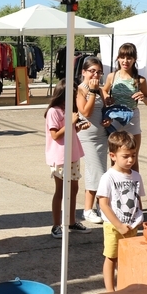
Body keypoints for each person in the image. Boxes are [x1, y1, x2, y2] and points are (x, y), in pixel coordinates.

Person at [97, 131, 145, 292]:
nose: (130, 159)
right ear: (112, 155)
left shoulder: (136, 176)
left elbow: (138, 199)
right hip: (113, 226)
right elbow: (103, 204)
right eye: (125, 156)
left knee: (127, 259)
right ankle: (111, 292)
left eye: (133, 155)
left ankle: (125, 287)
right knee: (111, 257)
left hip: (132, 226)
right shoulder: (108, 177)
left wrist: (140, 219)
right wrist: (118, 225)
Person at [45, 79, 89, 238]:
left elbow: (70, 132)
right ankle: (56, 225)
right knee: (61, 190)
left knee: (74, 188)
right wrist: (70, 122)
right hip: (60, 157)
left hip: (72, 154)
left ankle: (71, 221)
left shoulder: (69, 110)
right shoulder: (54, 111)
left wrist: (78, 127)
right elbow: (55, 135)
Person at [102, 42, 147, 171]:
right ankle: (115, 187)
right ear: (118, 58)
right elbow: (103, 90)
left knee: (132, 156)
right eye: (122, 57)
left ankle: (134, 189)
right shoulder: (112, 76)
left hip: (132, 118)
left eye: (129, 58)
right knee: (115, 157)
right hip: (115, 118)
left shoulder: (140, 80)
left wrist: (143, 97)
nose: (125, 61)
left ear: (134, 59)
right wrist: (107, 98)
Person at [76, 56, 108, 224]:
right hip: (87, 137)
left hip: (102, 136)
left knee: (100, 171)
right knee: (97, 172)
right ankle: (89, 209)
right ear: (83, 72)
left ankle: (96, 207)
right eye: (92, 71)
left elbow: (104, 111)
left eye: (99, 72)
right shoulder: (81, 90)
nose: (95, 75)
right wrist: (93, 92)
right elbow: (85, 112)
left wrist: (107, 120)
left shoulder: (101, 90)